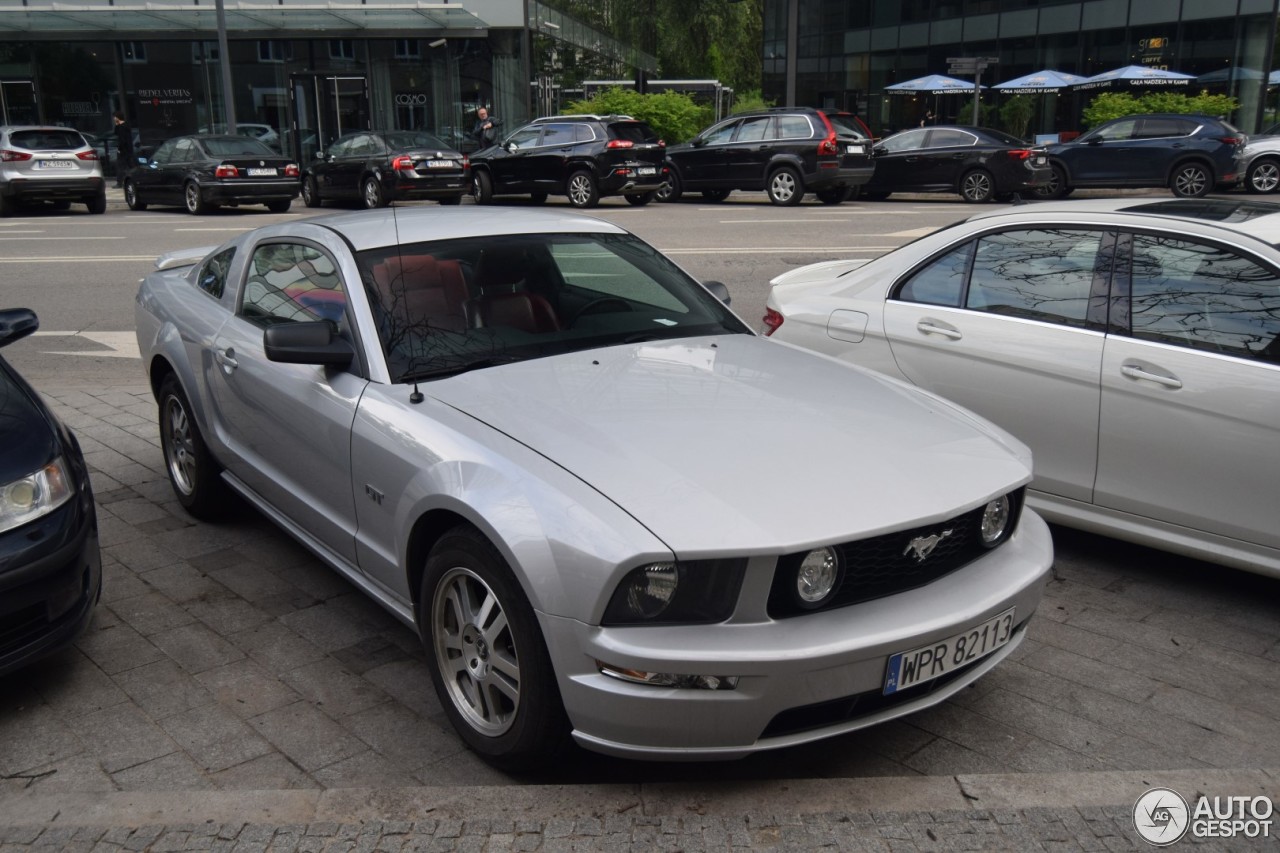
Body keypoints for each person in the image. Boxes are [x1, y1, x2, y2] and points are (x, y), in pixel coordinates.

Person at [112, 111, 134, 188]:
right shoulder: (125, 125)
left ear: (118, 117)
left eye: (115, 117)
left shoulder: (122, 127)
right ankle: (135, 179)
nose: (114, 119)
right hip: (129, 150)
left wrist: (119, 149)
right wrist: (117, 125)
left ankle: (119, 183)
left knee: (120, 166)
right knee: (131, 166)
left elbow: (122, 140)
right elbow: (115, 133)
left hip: (123, 150)